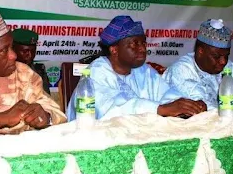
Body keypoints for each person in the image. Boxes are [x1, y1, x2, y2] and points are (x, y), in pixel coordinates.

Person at [66, 15, 206, 121]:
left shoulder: (144, 71)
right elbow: (112, 109)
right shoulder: (96, 72)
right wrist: (160, 109)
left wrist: (189, 105)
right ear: (114, 49)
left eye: (143, 43)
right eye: (135, 44)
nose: (143, 49)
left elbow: (166, 94)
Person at [163, 19, 233, 110]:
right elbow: (201, 104)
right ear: (200, 51)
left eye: (226, 56)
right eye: (216, 56)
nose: (223, 61)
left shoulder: (228, 66)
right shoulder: (181, 69)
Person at [11, 28, 51, 94]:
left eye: (33, 51)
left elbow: (46, 97)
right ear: (13, 49)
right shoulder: (3, 72)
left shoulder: (39, 71)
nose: (30, 55)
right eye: (25, 52)